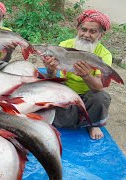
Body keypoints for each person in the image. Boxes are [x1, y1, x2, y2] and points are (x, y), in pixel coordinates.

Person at [44, 9, 112, 140]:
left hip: (88, 96)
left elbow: (98, 87)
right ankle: (83, 118)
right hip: (66, 91)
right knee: (45, 93)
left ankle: (93, 123)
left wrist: (86, 76)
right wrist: (50, 69)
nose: (86, 34)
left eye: (93, 31)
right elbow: (53, 77)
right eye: (83, 29)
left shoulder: (104, 54)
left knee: (102, 97)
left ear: (100, 35)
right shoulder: (64, 46)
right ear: (78, 30)